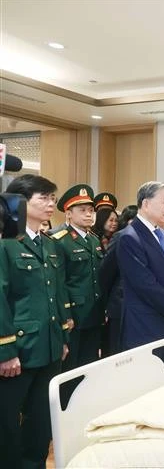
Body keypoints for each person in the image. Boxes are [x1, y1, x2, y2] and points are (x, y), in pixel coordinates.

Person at [0, 174, 70, 469]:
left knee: (41, 420)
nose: (51, 203)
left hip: (49, 346)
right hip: (18, 350)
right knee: (7, 424)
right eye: (43, 197)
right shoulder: (6, 245)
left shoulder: (50, 244)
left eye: (52, 198)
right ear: (19, 202)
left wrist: (63, 337)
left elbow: (58, 291)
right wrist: (6, 351)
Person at [116, 182, 164, 352]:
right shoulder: (129, 237)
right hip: (145, 324)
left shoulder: (163, 233)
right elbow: (145, 284)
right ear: (146, 204)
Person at [51, 184, 104, 372]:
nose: (89, 214)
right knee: (70, 368)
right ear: (68, 213)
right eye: (82, 210)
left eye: (91, 210)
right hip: (73, 315)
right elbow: (58, 282)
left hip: (94, 313)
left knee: (89, 367)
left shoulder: (94, 239)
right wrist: (65, 316)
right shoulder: (58, 240)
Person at [98, 205, 138, 357]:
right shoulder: (120, 237)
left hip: (142, 308)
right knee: (117, 353)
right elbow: (106, 272)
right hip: (120, 304)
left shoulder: (156, 236)